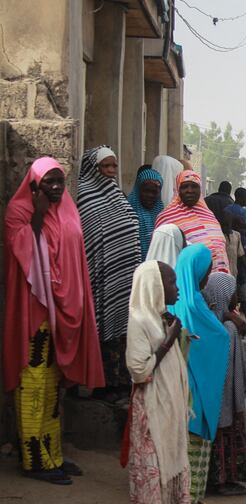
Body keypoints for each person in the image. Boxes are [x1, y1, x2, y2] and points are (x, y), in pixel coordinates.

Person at [4, 157, 105, 485]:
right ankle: (34, 459)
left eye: (60, 181)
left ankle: (53, 453)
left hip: (65, 312)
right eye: (49, 182)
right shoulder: (19, 213)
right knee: (33, 384)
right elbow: (25, 254)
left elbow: (74, 254)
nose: (57, 188)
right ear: (34, 185)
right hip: (35, 313)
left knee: (53, 388)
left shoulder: (69, 209)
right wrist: (37, 212)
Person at [125, 261, 191, 504]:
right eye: (171, 283)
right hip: (152, 412)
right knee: (155, 473)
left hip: (168, 408)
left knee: (172, 468)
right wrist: (168, 340)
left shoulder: (163, 318)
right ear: (155, 286)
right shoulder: (139, 320)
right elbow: (139, 370)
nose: (176, 289)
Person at [170, 244, 231, 504]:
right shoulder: (192, 306)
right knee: (191, 449)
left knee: (191, 450)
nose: (208, 278)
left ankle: (191, 499)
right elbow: (215, 338)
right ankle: (189, 503)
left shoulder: (181, 301)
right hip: (193, 393)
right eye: (205, 272)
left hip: (193, 390)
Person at [77, 145, 141, 400]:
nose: (111, 171)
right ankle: (102, 383)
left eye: (114, 166)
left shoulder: (117, 195)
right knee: (101, 329)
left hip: (123, 280)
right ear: (93, 168)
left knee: (123, 330)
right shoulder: (83, 195)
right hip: (99, 277)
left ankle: (119, 382)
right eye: (106, 166)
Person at [203, 273, 246, 497]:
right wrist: (240, 400)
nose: (236, 298)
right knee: (226, 438)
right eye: (232, 294)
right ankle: (224, 481)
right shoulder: (229, 330)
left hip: (211, 401)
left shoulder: (209, 323)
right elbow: (237, 371)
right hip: (227, 401)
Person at [155, 170, 229, 274]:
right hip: (187, 281)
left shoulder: (209, 216)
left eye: (194, 186)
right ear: (178, 190)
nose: (190, 190)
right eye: (185, 187)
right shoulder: (166, 218)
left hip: (217, 282)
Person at [127, 167, 164, 259]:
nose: (150, 195)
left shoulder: (162, 214)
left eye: (154, 192)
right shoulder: (128, 211)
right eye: (146, 191)